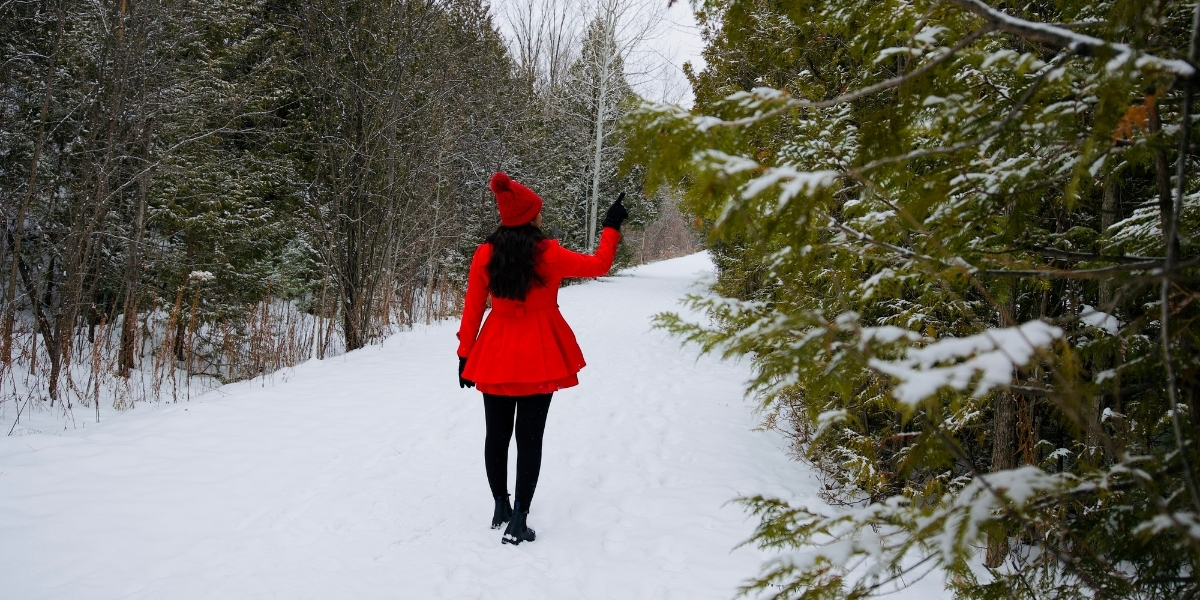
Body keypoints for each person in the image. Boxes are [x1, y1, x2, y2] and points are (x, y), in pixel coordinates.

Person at [456, 172, 628, 545]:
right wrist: (611, 226)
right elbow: (599, 265)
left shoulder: (486, 253)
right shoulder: (547, 252)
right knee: (529, 439)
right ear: (531, 216)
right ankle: (518, 519)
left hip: (496, 353)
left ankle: (499, 506)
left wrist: (464, 354)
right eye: (538, 212)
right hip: (540, 354)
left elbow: (472, 309)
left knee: (496, 435)